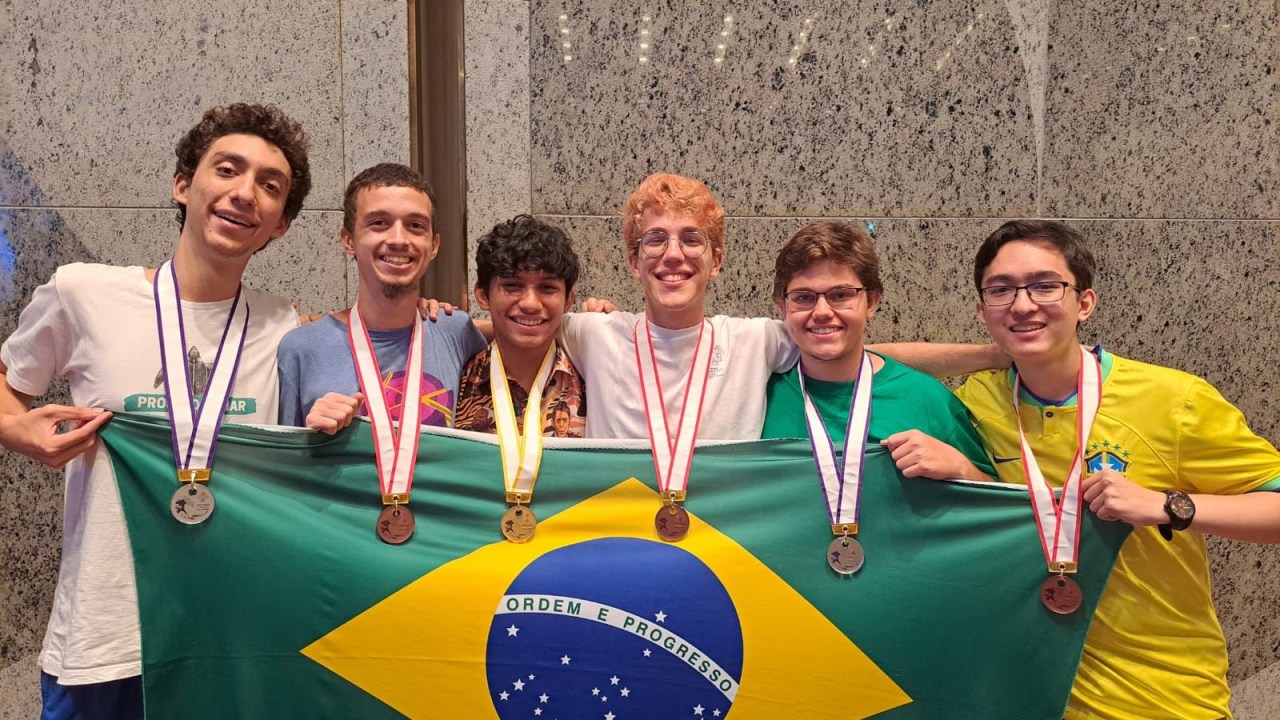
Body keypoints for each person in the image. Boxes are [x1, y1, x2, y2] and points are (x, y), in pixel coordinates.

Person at [0, 103, 312, 719]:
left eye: (269, 187)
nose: (245, 193)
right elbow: (8, 384)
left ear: (280, 224)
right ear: (183, 185)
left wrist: (447, 319)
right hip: (102, 639)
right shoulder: (83, 292)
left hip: (228, 640)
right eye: (227, 169)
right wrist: (14, 428)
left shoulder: (285, 327)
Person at [954, 219, 1280, 719]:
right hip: (1030, 693)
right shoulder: (975, 403)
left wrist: (1168, 506)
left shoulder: (1175, 401)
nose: (1022, 304)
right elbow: (851, 356)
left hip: (1159, 696)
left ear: (1084, 303)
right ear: (981, 312)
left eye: (1045, 286)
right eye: (1001, 291)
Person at [557, 173, 796, 440]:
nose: (673, 254)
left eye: (692, 240)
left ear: (715, 262)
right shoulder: (595, 334)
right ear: (634, 263)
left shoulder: (758, 341)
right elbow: (513, 324)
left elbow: (839, 339)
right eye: (656, 240)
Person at [761, 221, 993, 482]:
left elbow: (999, 505)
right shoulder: (758, 395)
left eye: (840, 295)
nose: (823, 312)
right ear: (782, 306)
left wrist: (963, 469)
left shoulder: (925, 399)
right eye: (803, 297)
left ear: (871, 302)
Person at [277, 163, 485, 432]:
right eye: (379, 223)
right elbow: (282, 462)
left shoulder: (457, 332)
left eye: (415, 225)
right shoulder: (301, 347)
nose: (398, 239)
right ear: (348, 240)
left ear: (433, 246)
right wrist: (312, 441)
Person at [454, 214, 586, 437]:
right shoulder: (455, 381)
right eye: (512, 286)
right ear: (482, 295)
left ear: (569, 300)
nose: (530, 304)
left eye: (547, 288)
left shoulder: (592, 379)